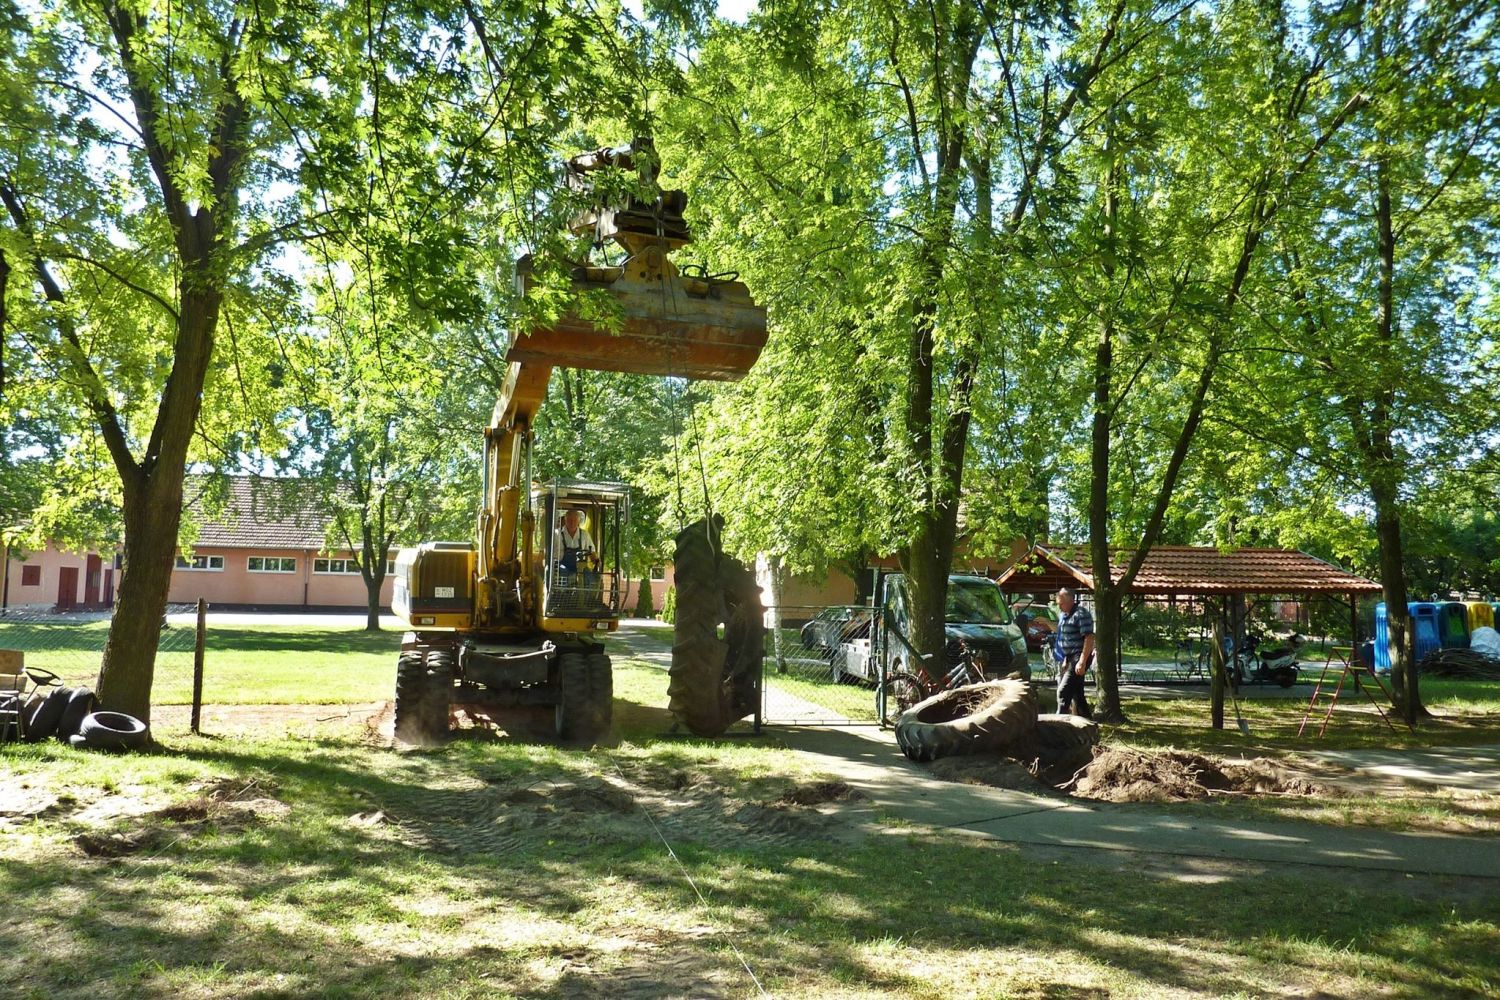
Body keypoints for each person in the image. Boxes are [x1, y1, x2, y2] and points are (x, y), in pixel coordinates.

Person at [1054, 587, 1094, 718]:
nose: (1059, 607)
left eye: (1061, 604)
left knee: (1063, 691)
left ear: (1070, 600)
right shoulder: (1064, 615)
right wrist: (1066, 659)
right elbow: (1066, 639)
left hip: (1079, 656)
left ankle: (1058, 722)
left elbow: (1089, 638)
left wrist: (1082, 661)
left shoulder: (1081, 614)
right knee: (1077, 693)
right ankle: (1088, 722)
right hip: (1070, 657)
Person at [552, 509, 596, 574]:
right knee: (563, 571)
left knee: (588, 573)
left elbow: (592, 552)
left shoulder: (585, 535)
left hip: (580, 567)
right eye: (569, 520)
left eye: (574, 520)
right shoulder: (556, 534)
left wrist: (596, 561)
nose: (572, 523)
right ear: (565, 520)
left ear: (578, 521)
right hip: (561, 567)